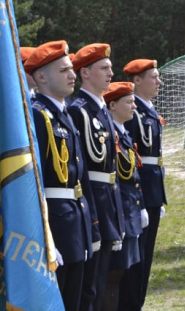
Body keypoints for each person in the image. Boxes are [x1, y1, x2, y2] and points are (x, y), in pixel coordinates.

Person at [25, 41, 97, 311]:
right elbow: (31, 183)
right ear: (41, 77)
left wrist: (92, 224)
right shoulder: (36, 115)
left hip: (75, 219)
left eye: (71, 69)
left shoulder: (62, 114)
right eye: (64, 70)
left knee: (76, 298)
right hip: (55, 224)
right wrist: (43, 237)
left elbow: (81, 175)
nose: (72, 75)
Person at [68, 43, 124, 310]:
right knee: (90, 284)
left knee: (103, 278)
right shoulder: (79, 110)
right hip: (93, 203)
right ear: (85, 73)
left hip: (108, 200)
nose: (110, 73)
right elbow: (82, 169)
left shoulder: (101, 109)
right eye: (104, 68)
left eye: (110, 68)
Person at [120, 59, 166, 310]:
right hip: (141, 192)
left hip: (153, 190)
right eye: (154, 77)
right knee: (136, 256)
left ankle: (138, 301)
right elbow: (130, 159)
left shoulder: (148, 109)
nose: (159, 82)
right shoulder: (132, 111)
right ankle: (131, 303)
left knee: (146, 255)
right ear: (137, 80)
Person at [102, 82, 146, 311]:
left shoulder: (124, 133)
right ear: (112, 105)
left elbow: (133, 174)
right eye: (128, 102)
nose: (134, 106)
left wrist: (142, 206)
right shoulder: (111, 134)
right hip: (120, 212)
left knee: (126, 271)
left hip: (130, 210)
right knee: (114, 274)